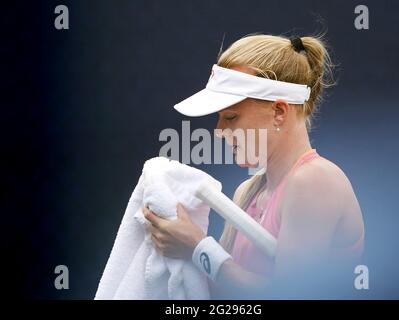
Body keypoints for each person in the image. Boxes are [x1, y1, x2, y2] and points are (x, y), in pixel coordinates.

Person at [142, 34, 365, 299]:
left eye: (231, 117)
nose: (219, 131)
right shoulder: (247, 191)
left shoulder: (315, 180)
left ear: (279, 112)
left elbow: (290, 295)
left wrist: (196, 247)